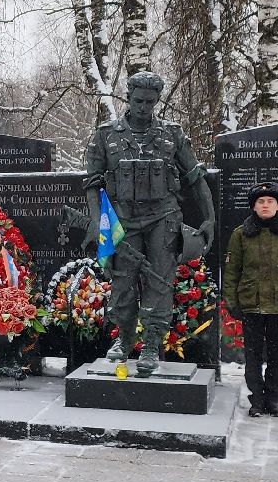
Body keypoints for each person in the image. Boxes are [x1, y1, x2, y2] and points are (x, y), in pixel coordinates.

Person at [82, 71, 214, 376]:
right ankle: (125, 340)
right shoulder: (106, 134)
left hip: (163, 219)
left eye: (150, 102)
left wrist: (210, 218)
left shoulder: (172, 134)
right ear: (128, 98)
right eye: (139, 100)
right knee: (123, 284)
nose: (144, 107)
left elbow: (195, 176)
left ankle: (152, 345)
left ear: (157, 102)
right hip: (123, 221)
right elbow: (92, 182)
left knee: (159, 282)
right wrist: (94, 220)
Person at [221, 183, 278, 417]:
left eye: (270, 201)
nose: (265, 205)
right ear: (254, 206)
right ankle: (256, 401)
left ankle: (273, 400)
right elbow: (231, 272)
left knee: (276, 357)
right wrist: (231, 302)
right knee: (253, 358)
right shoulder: (240, 235)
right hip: (251, 305)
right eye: (260, 201)